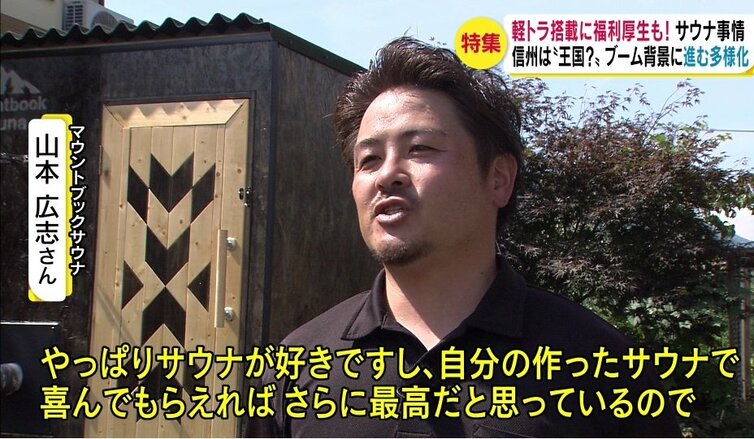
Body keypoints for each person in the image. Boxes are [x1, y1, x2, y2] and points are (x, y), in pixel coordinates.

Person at [246, 37, 681, 437]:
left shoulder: (602, 368)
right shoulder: (296, 367)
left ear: (498, 178)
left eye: (419, 149)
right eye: (369, 159)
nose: (387, 175)